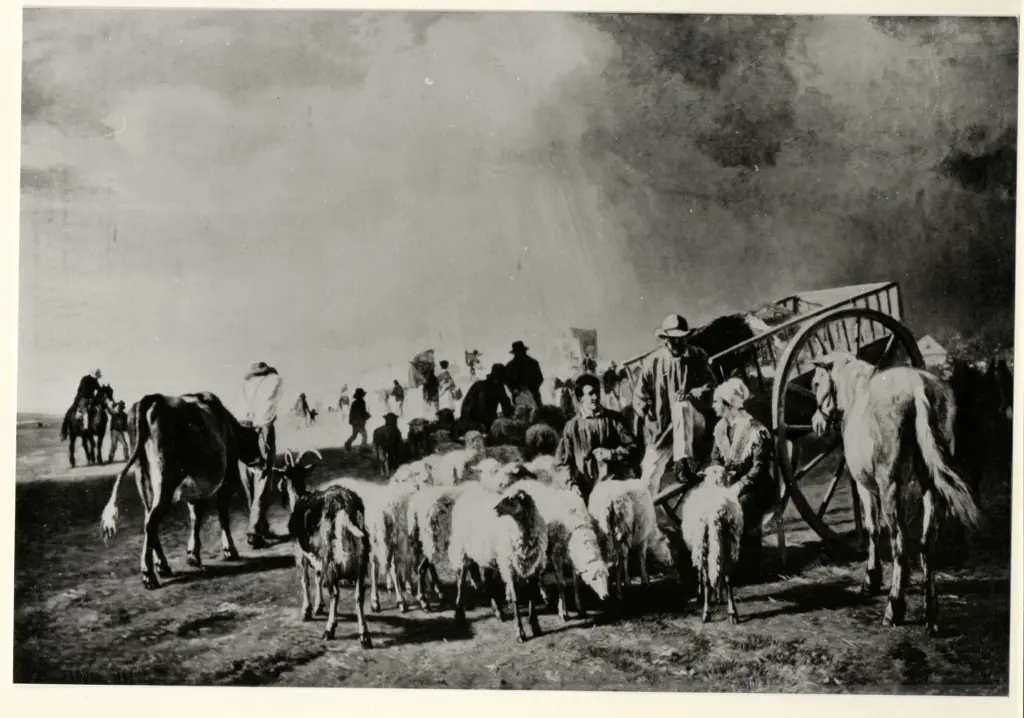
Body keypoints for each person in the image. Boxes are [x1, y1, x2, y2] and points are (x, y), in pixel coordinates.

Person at [633, 313, 717, 595]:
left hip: (694, 424)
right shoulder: (653, 362)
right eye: (674, 340)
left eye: (683, 339)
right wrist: (645, 411)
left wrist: (692, 393)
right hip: (662, 431)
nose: (679, 344)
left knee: (681, 407)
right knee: (647, 485)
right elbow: (639, 396)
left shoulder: (698, 356)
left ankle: (682, 462)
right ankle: (653, 543)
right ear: (666, 339)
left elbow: (710, 386)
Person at [708, 378, 777, 582]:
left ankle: (748, 567)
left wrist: (738, 486)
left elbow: (760, 469)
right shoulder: (721, 428)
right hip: (730, 485)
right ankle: (725, 561)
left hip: (757, 488)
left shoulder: (757, 431)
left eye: (716, 402)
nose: (713, 406)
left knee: (741, 507)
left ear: (728, 404)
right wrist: (718, 473)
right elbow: (715, 457)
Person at [553, 374, 639, 505]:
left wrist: (612, 454)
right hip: (587, 494)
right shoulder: (572, 427)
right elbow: (561, 464)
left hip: (616, 490)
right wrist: (571, 485)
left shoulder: (614, 419)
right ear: (580, 397)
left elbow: (635, 448)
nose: (595, 397)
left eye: (597, 392)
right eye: (591, 394)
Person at [241, 361, 284, 550]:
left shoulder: (246, 386)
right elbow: (271, 411)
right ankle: (254, 531)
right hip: (263, 430)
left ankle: (260, 525)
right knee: (263, 479)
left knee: (248, 479)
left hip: (243, 430)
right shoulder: (274, 381)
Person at [460, 363, 514, 429]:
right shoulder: (487, 386)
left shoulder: (480, 385)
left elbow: (506, 404)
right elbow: (506, 405)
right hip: (478, 423)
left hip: (480, 422)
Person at [504, 340, 544, 408]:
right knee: (537, 415)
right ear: (524, 351)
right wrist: (531, 388)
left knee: (521, 416)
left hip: (519, 397)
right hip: (534, 395)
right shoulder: (533, 363)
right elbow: (540, 379)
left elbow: (508, 382)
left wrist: (516, 390)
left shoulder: (510, 366)